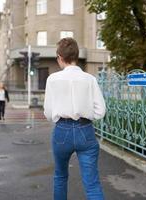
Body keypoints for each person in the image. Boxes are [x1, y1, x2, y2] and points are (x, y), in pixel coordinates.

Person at [44, 38, 106, 200]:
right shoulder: (90, 79)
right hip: (85, 130)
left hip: (61, 132)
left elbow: (49, 113)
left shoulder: (52, 79)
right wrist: (86, 115)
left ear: (59, 57)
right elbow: (101, 111)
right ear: (76, 56)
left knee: (60, 176)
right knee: (92, 183)